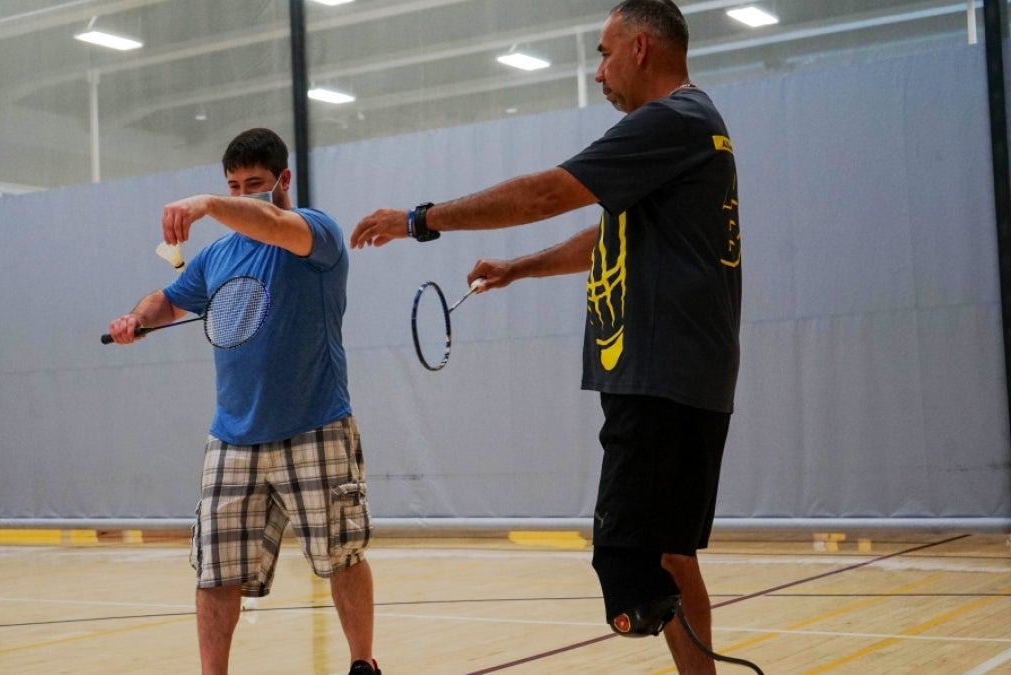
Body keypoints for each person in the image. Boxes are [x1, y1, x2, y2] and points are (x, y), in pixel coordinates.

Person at [350, 1, 740, 672]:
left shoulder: (670, 120)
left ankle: (645, 615)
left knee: (628, 563)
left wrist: (421, 219)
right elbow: (613, 235)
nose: (598, 71)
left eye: (603, 52)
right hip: (677, 376)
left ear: (641, 49)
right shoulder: (693, 128)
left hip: (661, 376)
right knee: (671, 550)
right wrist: (520, 267)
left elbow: (540, 194)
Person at [107, 128, 381, 675]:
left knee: (340, 556)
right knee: (215, 570)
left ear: (284, 180)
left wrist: (209, 204)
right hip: (233, 437)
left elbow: (274, 225)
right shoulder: (217, 256)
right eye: (231, 186)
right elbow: (168, 300)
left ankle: (361, 665)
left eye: (253, 184)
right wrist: (137, 317)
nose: (241, 194)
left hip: (316, 425)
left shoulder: (315, 233)